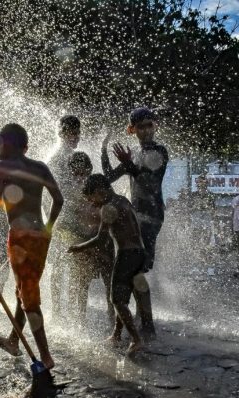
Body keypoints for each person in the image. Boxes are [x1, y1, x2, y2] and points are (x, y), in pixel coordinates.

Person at [0, 124, 63, 369]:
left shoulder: (2, 167)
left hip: (20, 238)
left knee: (29, 298)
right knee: (25, 289)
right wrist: (49, 227)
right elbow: (58, 199)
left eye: (0, 143)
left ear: (9, 144)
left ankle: (46, 357)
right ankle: (13, 340)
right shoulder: (40, 167)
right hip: (41, 236)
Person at [102, 107, 168, 338]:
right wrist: (103, 149)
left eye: (150, 125)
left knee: (137, 269)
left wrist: (128, 164)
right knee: (134, 269)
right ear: (132, 130)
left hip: (151, 217)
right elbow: (109, 178)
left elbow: (150, 183)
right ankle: (139, 321)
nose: (147, 130)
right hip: (136, 218)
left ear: (155, 125)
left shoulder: (159, 150)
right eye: (141, 127)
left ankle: (146, 325)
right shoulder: (136, 154)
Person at [68, 174, 147, 355]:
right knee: (123, 296)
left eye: (91, 198)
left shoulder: (108, 208)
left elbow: (100, 239)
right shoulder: (123, 200)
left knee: (116, 300)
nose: (92, 204)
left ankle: (136, 340)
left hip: (127, 254)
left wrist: (78, 248)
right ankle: (116, 335)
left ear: (99, 191)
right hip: (140, 252)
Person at [61, 151, 115, 328]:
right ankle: (80, 321)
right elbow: (66, 221)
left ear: (89, 169)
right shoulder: (68, 191)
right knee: (81, 283)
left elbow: (111, 207)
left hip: (103, 239)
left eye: (83, 172)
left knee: (110, 282)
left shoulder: (97, 184)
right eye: (75, 173)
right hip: (82, 240)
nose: (80, 177)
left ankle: (113, 317)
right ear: (70, 173)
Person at [48, 115, 81, 321]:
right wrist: (52, 222)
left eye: (78, 133)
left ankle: (68, 310)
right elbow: (49, 194)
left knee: (73, 266)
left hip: (74, 219)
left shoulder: (73, 156)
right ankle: (58, 312)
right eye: (72, 133)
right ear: (61, 134)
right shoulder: (57, 159)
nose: (76, 137)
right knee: (60, 267)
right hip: (62, 221)